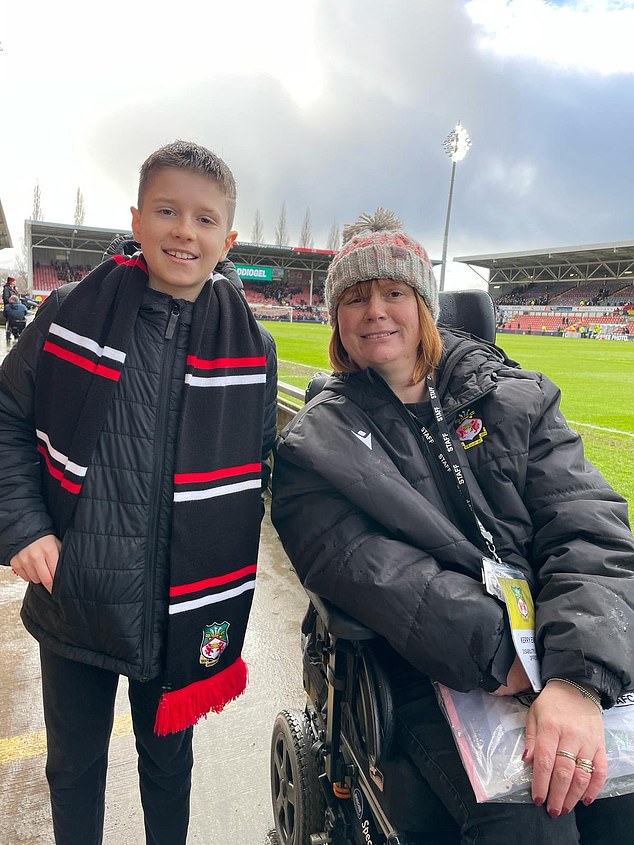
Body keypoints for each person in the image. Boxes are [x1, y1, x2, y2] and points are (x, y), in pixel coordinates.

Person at [271, 209, 634, 844]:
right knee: (534, 829)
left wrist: (576, 676)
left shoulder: (516, 397)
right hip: (431, 666)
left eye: (394, 293)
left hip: (558, 644)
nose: (376, 311)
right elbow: (370, 571)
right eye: (356, 298)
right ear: (336, 320)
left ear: (424, 307)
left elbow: (587, 524)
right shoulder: (315, 446)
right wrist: (510, 660)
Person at [0, 140, 277, 845]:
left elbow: (262, 467)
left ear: (228, 239)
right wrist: (25, 527)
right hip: (77, 599)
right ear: (136, 217)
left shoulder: (254, 348)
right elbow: (7, 416)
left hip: (180, 607)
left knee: (168, 762)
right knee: (75, 767)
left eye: (204, 219)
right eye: (167, 210)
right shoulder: (66, 312)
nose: (185, 230)